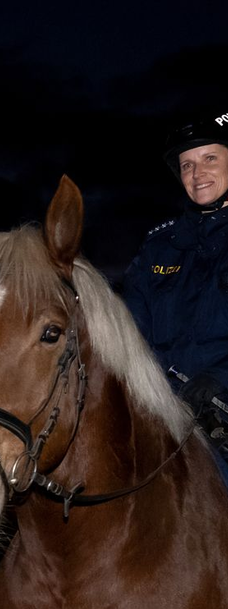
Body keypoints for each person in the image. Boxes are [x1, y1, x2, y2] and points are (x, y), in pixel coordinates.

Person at [124, 106, 228, 476]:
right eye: (187, 165)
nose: (198, 174)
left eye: (209, 159)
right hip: (160, 411)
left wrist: (219, 379)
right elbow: (128, 331)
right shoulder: (159, 246)